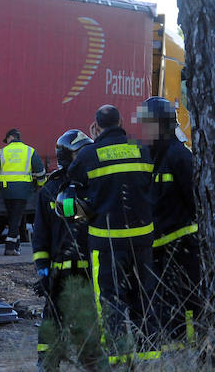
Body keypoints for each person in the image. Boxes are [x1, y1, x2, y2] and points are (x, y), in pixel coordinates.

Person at [66, 105, 157, 356]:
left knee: (109, 298)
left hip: (107, 243)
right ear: (121, 122)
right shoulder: (141, 150)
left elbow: (72, 197)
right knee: (144, 296)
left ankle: (117, 355)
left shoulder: (89, 155)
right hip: (142, 239)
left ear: (96, 127)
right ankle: (150, 353)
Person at [136, 96, 199, 343]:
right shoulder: (149, 157)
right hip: (156, 249)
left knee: (186, 301)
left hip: (182, 248)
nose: (144, 130)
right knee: (161, 305)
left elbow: (194, 201)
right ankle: (171, 350)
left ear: (162, 124)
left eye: (148, 124)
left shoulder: (180, 157)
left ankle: (190, 351)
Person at [31, 129, 93, 367]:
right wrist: (43, 270)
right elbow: (41, 235)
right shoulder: (51, 189)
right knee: (53, 319)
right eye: (82, 153)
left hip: (90, 267)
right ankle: (46, 365)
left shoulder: (91, 184)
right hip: (62, 271)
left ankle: (91, 366)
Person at [0, 128, 46, 256]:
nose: (6, 142)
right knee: (16, 217)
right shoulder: (30, 151)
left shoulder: (2, 152)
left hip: (6, 189)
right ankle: (9, 247)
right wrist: (41, 185)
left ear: (11, 137)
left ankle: (16, 246)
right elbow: (40, 170)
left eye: (7, 140)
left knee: (13, 216)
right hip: (23, 190)